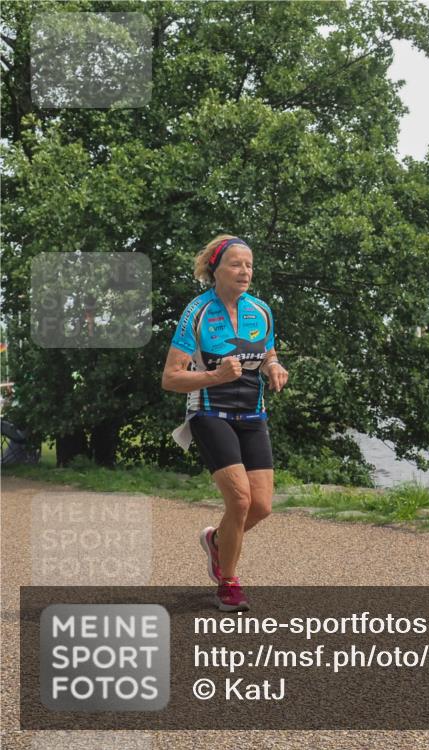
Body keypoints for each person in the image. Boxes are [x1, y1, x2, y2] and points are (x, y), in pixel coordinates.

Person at [161, 235, 288, 611]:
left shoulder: (260, 311)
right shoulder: (197, 312)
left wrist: (274, 366)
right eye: (236, 264)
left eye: (249, 265)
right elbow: (170, 378)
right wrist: (214, 377)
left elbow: (267, 352)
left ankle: (217, 542)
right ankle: (228, 584)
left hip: (252, 414)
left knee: (261, 506)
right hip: (209, 412)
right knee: (240, 499)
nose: (244, 271)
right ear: (215, 269)